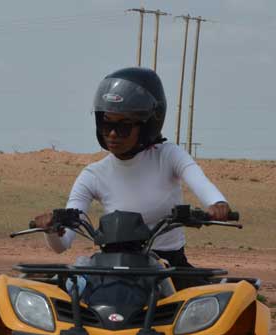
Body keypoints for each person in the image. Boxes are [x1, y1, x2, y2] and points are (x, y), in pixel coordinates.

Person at [33, 67, 231, 271]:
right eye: (106, 123)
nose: (112, 133)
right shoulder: (92, 175)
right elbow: (62, 245)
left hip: (169, 269)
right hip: (114, 269)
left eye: (124, 125)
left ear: (148, 124)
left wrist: (217, 203)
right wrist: (51, 230)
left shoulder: (168, 156)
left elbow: (199, 180)